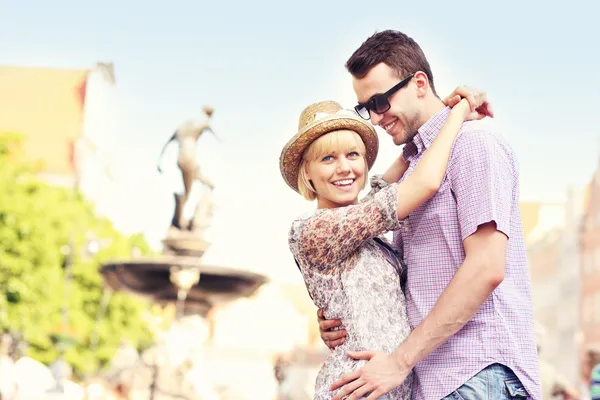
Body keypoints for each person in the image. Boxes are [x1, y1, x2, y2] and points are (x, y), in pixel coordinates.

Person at [317, 30, 541, 400]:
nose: (375, 118)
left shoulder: (475, 144)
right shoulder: (417, 165)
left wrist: (400, 361)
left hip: (476, 372)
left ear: (419, 83)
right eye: (365, 107)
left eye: (380, 101)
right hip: (439, 380)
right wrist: (340, 310)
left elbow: (486, 268)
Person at [280, 90, 490, 399]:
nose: (344, 168)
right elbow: (424, 182)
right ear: (307, 172)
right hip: (353, 389)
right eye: (328, 158)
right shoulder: (313, 229)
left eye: (353, 155)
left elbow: (402, 167)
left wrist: (439, 115)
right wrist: (458, 113)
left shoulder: (361, 223)